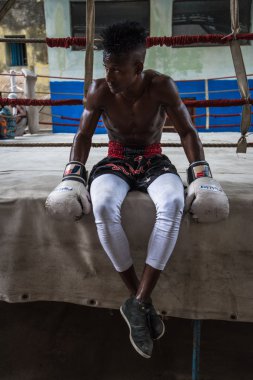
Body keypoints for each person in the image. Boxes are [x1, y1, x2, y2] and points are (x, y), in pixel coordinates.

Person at [45, 21, 229, 358]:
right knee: (101, 207)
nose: (110, 75)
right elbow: (84, 136)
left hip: (154, 160)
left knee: (173, 202)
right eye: (107, 67)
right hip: (114, 161)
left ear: (138, 67)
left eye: (116, 69)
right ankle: (143, 302)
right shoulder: (99, 90)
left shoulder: (162, 87)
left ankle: (137, 303)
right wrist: (73, 175)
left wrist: (200, 174)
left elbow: (187, 131)